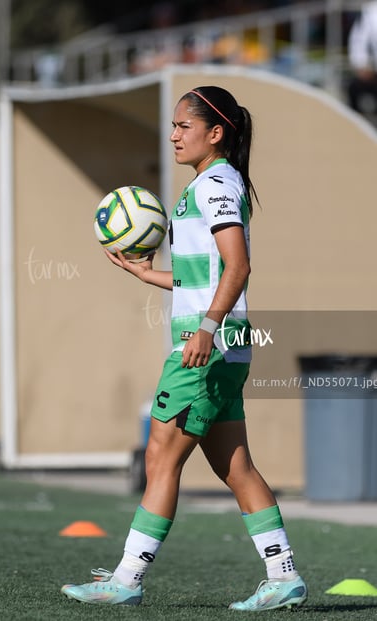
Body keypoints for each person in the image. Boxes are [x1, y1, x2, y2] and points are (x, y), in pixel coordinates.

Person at [61, 85, 308, 612]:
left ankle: (126, 579)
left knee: (160, 456)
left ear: (215, 133)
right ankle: (283, 574)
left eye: (182, 126)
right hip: (226, 342)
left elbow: (237, 266)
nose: (173, 135)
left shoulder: (215, 183)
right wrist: (150, 275)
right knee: (235, 466)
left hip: (208, 345)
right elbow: (209, 273)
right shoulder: (212, 182)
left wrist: (206, 328)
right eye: (172, 126)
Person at [347, 1, 377, 116]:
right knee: (355, 89)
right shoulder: (371, 11)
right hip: (373, 73)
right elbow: (358, 39)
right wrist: (361, 64)